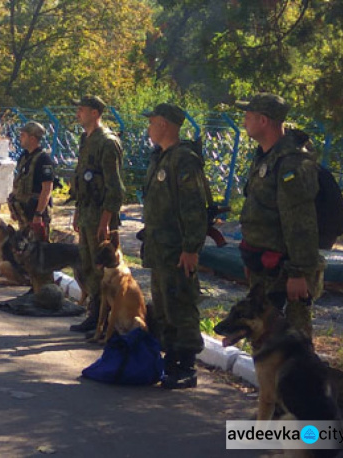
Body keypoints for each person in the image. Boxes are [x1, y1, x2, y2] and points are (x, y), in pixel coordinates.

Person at [236, 93, 324, 339]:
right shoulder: (266, 155)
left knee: (292, 342)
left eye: (248, 116)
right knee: (266, 340)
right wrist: (250, 260)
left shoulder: (291, 163)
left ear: (263, 121)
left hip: (285, 271)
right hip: (263, 265)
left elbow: (300, 222)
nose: (244, 121)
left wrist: (297, 273)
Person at [141, 103, 207, 389]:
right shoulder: (161, 157)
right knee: (164, 305)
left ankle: (186, 364)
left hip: (178, 249)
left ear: (164, 125)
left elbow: (194, 208)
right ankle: (170, 357)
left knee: (181, 303)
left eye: (152, 122)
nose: (149, 127)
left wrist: (191, 247)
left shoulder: (183, 160)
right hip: (160, 248)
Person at [68, 96, 125, 333]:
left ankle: (104, 318)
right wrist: (77, 212)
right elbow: (84, 181)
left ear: (95, 113)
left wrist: (105, 221)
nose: (78, 113)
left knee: (102, 268)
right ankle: (95, 313)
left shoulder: (107, 142)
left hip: (100, 217)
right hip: (86, 213)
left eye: (82, 110)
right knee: (89, 266)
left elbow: (115, 188)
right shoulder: (86, 139)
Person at [8, 121, 54, 240]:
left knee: (38, 249)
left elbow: (47, 189)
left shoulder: (43, 159)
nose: (20, 138)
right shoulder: (24, 157)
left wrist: (38, 214)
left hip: (35, 213)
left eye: (23, 135)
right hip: (23, 213)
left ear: (32, 138)